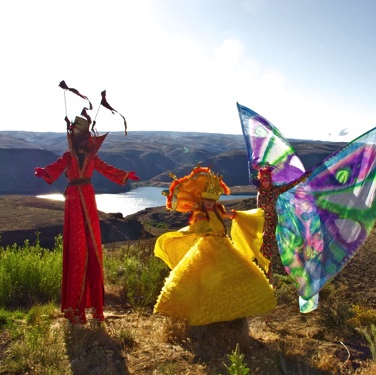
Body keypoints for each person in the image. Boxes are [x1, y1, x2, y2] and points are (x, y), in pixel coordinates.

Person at [34, 115, 139, 324]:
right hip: (73, 200)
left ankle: (97, 310)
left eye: (84, 136)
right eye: (79, 136)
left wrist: (124, 176)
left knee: (92, 249)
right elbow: (55, 166)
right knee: (78, 250)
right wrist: (45, 172)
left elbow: (107, 169)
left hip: (88, 198)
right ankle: (76, 311)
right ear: (74, 138)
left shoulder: (92, 158)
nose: (83, 140)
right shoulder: (68, 156)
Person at [153, 166, 276, 326]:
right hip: (207, 248)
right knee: (205, 279)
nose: (210, 203)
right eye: (207, 201)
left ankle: (228, 311)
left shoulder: (218, 210)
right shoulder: (200, 213)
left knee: (236, 275)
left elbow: (229, 215)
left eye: (212, 201)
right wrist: (202, 224)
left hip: (224, 245)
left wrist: (239, 216)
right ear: (202, 200)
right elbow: (199, 225)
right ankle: (205, 314)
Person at [256, 166, 307, 284]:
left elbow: (290, 185)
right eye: (263, 179)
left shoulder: (275, 190)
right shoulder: (259, 190)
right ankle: (261, 272)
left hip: (271, 222)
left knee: (266, 243)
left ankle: (267, 274)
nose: (265, 182)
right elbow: (251, 175)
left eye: (267, 179)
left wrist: (302, 178)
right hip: (259, 221)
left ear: (271, 180)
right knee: (258, 245)